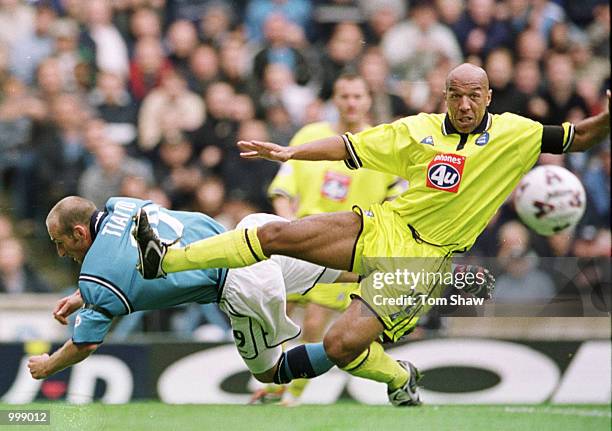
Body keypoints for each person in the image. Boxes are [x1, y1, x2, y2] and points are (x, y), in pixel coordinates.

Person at [134, 63, 609, 404]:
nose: (464, 105)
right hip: (386, 225)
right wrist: (289, 153)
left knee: (342, 345)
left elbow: (580, 137)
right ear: (444, 96)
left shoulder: (516, 134)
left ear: (488, 97)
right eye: (455, 95)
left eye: (474, 96)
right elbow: (348, 146)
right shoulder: (417, 130)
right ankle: (167, 260)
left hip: (423, 258)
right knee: (278, 233)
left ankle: (397, 375)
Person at [27, 195, 424, 407]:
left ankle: (379, 360)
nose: (61, 253)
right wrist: (83, 297)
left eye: (61, 244)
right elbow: (124, 257)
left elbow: (85, 344)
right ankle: (420, 268)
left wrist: (48, 364)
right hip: (249, 236)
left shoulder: (98, 276)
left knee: (272, 373)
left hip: (239, 284)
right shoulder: (119, 204)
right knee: (352, 268)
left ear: (79, 233)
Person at [258, 73, 407, 405]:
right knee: (274, 312)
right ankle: (274, 382)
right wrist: (288, 224)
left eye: (358, 96)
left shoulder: (383, 143)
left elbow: (399, 197)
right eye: (344, 96)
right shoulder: (310, 135)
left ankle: (289, 393)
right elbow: (284, 186)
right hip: (301, 241)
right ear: (334, 100)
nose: (351, 102)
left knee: (313, 325)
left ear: (369, 100)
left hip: (346, 249)